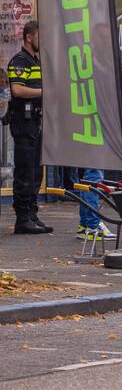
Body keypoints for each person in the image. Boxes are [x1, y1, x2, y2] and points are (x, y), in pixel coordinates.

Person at [6, 21, 50, 234]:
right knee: (25, 171)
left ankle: (32, 214)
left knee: (36, 172)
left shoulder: (36, 62)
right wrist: (45, 92)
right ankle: (22, 219)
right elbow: (17, 90)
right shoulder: (20, 61)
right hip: (23, 123)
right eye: (41, 36)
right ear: (29, 37)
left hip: (36, 122)